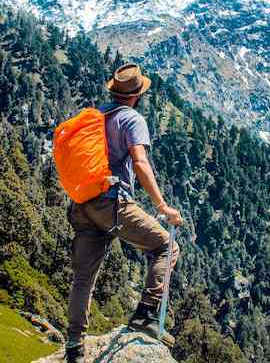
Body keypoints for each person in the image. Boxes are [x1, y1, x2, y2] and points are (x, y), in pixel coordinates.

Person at [64, 63, 183, 363]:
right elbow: (140, 163)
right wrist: (162, 206)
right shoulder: (132, 118)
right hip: (112, 203)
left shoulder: (98, 116)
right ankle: (146, 314)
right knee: (165, 246)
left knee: (83, 279)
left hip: (83, 204)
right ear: (136, 95)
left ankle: (74, 346)